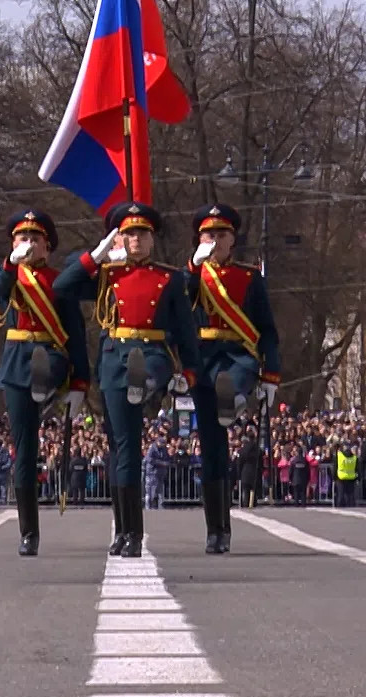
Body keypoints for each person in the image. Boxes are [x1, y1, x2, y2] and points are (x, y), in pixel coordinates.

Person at [54, 202, 200, 558]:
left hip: (151, 352)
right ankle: (124, 531)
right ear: (119, 238)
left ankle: (134, 533)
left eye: (142, 233)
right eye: (129, 233)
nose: (136, 239)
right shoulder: (107, 274)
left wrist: (190, 372)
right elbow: (62, 287)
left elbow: (184, 329)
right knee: (121, 449)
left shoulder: (169, 278)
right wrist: (95, 255)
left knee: (140, 405)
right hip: (113, 362)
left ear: (152, 239)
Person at [0, 210, 88, 554]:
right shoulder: (9, 276)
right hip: (17, 362)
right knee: (24, 451)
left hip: (51, 350)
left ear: (47, 247)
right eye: (21, 238)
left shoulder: (61, 281)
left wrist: (81, 383)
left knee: (50, 365)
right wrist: (10, 263)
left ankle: (46, 386)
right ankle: (29, 532)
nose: (27, 244)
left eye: (34, 239)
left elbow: (76, 335)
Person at [183, 204, 280, 553]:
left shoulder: (250, 277)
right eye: (208, 235)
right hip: (204, 358)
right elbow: (182, 305)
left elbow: (267, 329)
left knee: (235, 379)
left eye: (221, 234)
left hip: (239, 354)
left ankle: (236, 398)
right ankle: (217, 529)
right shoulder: (192, 276)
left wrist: (270, 374)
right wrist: (195, 266)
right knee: (213, 450)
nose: (214, 240)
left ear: (232, 239)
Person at [334, 437, 359, 507]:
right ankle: (352, 508)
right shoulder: (354, 457)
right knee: (350, 496)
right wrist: (357, 477)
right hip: (351, 477)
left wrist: (334, 478)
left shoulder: (339, 456)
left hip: (341, 477)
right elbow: (357, 468)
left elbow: (335, 467)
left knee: (341, 495)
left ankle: (339, 508)